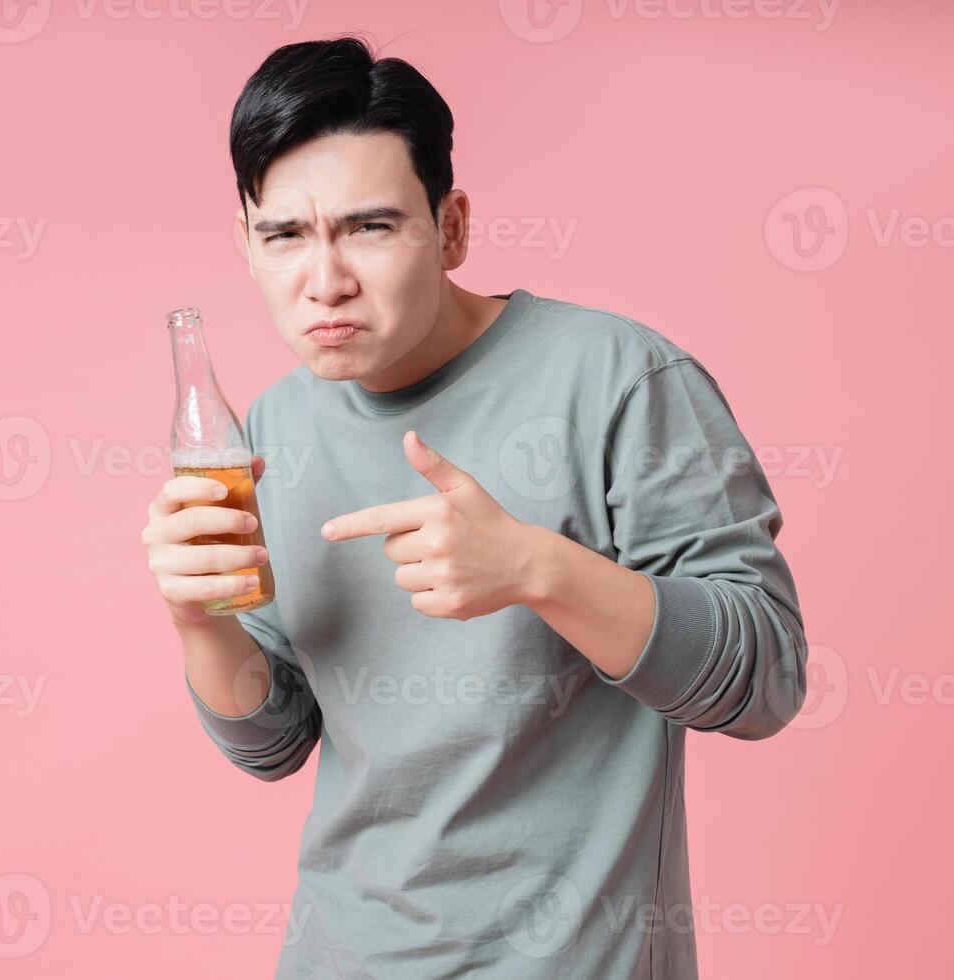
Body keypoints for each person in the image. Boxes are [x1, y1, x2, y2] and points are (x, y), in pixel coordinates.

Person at [140, 34, 808, 980]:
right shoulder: (275, 426)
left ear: (449, 228)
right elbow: (276, 742)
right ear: (245, 242)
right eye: (283, 234)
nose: (323, 281)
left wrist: (540, 570)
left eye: (369, 227)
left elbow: (766, 677)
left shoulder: (621, 380)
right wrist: (195, 619)